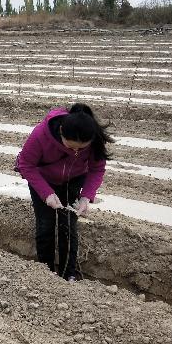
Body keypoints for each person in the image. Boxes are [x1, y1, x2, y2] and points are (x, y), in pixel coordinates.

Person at [16, 103, 112, 281]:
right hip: (43, 179)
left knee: (68, 224)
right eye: (71, 146)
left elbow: (97, 169)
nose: (76, 151)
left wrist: (86, 197)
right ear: (61, 132)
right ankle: (47, 272)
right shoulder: (41, 135)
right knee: (46, 224)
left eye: (81, 148)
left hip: (73, 180)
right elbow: (26, 165)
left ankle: (69, 274)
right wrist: (47, 194)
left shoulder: (94, 138)